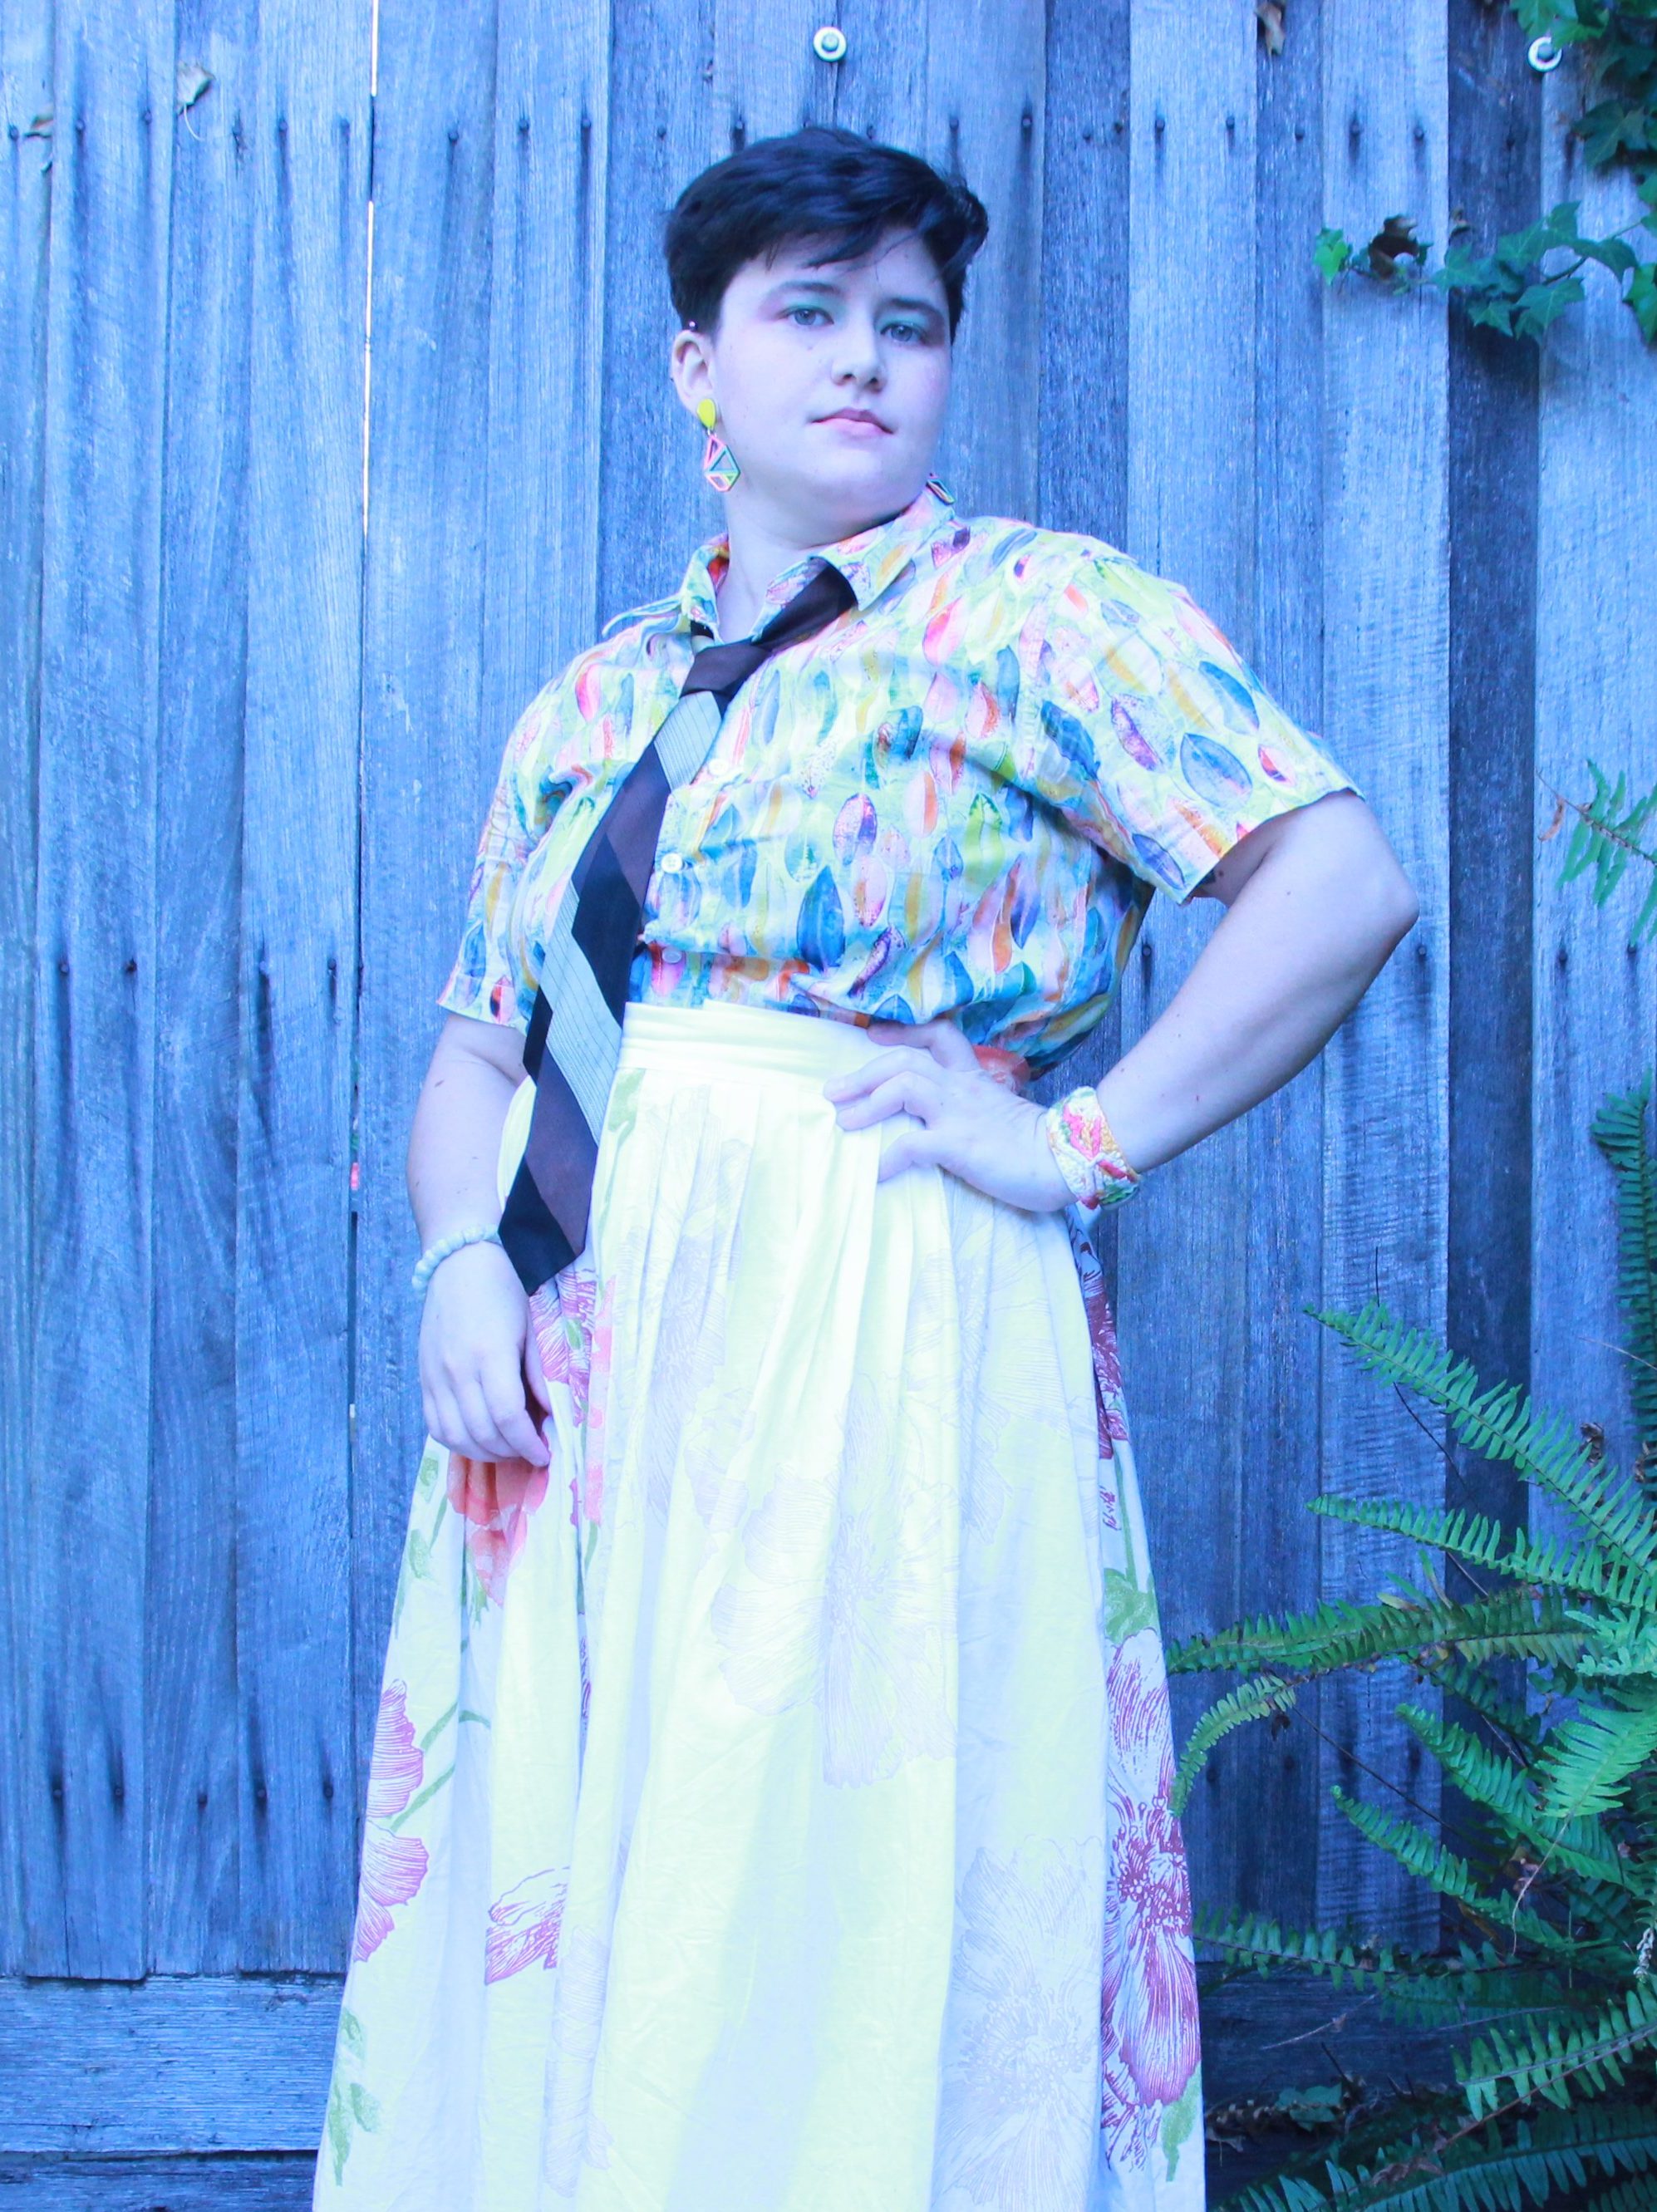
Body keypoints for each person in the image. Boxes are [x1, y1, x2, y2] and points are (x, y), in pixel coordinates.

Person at [312, 125, 1417, 2212]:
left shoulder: (1040, 615)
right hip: (581, 1376)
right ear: (694, 369)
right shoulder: (596, 700)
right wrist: (458, 1256)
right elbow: (483, 1048)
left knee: (834, 1831)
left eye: (906, 325)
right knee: (606, 1853)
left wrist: (1075, 1135)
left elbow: (1334, 881)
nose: (862, 361)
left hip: (874, 1320)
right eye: (805, 314)